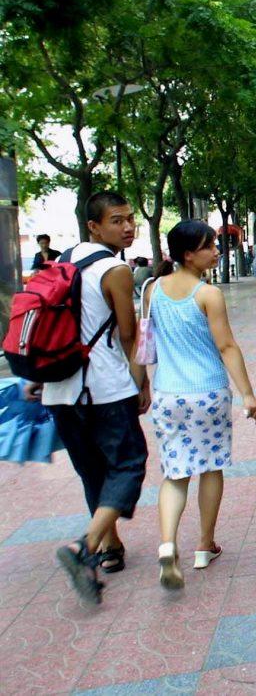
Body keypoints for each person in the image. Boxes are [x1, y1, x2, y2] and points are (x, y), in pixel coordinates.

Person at [26, 192, 150, 604]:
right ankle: (86, 547)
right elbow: (129, 335)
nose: (128, 227)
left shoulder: (62, 261)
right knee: (129, 464)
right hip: (103, 387)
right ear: (94, 226)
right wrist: (141, 382)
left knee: (92, 471)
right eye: (117, 221)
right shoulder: (115, 269)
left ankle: (111, 550)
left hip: (60, 389)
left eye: (130, 219)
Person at [147, 220, 256, 589]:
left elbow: (145, 342)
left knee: (175, 473)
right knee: (211, 468)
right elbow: (226, 346)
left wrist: (141, 386)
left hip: (167, 394)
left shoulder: (153, 290)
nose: (216, 251)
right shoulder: (207, 294)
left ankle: (168, 544)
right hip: (207, 394)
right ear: (187, 254)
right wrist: (248, 393)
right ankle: (203, 545)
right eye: (209, 246)